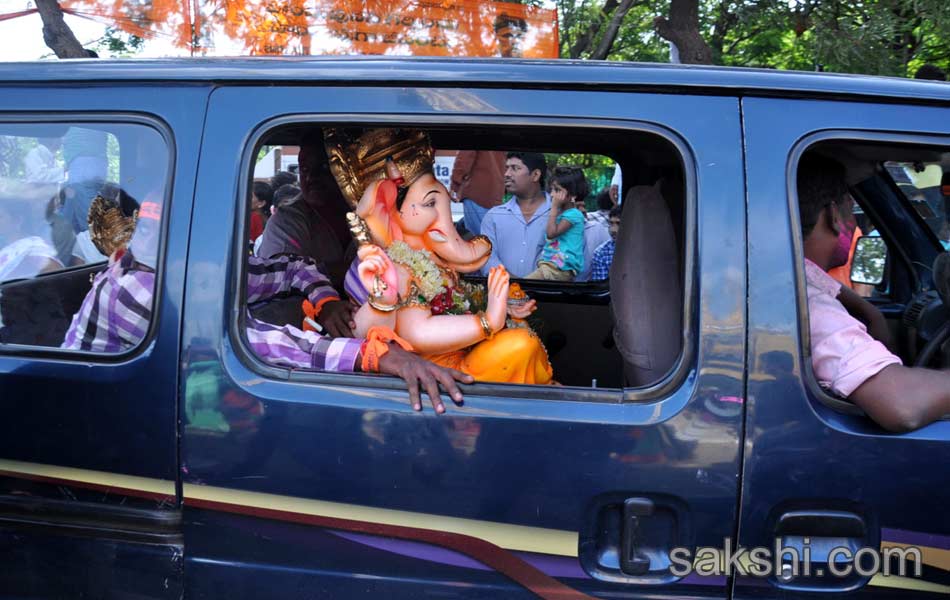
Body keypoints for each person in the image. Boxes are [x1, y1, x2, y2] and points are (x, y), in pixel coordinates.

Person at [63, 197, 471, 413]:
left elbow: (292, 267)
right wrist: (383, 357)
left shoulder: (187, 262)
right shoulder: (137, 289)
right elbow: (263, 345)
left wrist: (325, 301)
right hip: (101, 427)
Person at [798, 155, 950, 432]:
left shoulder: (793, 277)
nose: (852, 223)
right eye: (849, 208)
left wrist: (871, 313)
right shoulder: (811, 304)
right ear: (834, 216)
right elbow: (902, 406)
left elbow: (816, 281)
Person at [257, 131, 357, 335]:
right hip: (302, 332)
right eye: (304, 169)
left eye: (323, 168)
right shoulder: (287, 219)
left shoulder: (374, 212)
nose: (311, 178)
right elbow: (283, 277)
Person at [480, 152, 551, 278]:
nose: (507, 174)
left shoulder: (559, 215)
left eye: (515, 168)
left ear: (535, 175)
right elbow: (487, 259)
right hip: (504, 295)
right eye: (506, 168)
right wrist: (514, 286)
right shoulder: (494, 216)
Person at [526, 166, 586, 281]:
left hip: (559, 268)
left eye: (557, 190)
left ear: (573, 194)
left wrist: (554, 207)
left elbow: (551, 233)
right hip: (550, 266)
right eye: (551, 190)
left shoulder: (574, 214)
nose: (552, 195)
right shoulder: (559, 214)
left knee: (518, 289)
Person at [0, 195, 63, 282]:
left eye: (1, 217)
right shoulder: (6, 247)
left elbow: (55, 273)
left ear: (18, 220)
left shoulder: (32, 246)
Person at [449, 150, 506, 236]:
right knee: (491, 238)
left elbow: (464, 158)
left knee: (478, 241)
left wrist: (455, 184)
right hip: (496, 193)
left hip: (476, 193)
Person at [590, 205, 621, 281]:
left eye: (618, 223)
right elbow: (601, 288)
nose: (613, 230)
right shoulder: (601, 253)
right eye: (611, 223)